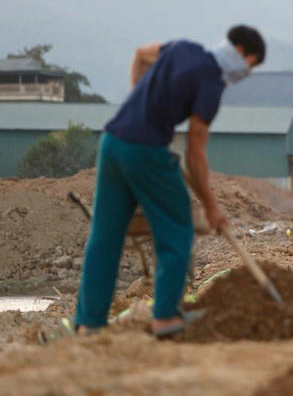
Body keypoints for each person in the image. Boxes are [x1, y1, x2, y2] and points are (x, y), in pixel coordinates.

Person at [74, 25, 265, 338]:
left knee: (105, 237)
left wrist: (139, 100)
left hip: (113, 142)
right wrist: (212, 207)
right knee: (176, 227)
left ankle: (89, 323)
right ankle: (164, 318)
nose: (246, 73)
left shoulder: (182, 48)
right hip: (146, 152)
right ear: (241, 53)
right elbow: (195, 154)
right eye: (250, 66)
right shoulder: (211, 84)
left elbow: (140, 53)